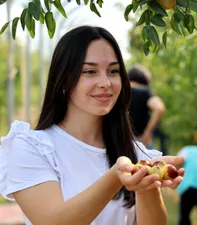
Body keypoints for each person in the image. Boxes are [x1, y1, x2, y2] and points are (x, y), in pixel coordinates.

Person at [0, 26, 184, 225]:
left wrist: (146, 185)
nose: (105, 82)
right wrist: (116, 176)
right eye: (90, 71)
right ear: (63, 79)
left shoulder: (138, 156)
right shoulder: (32, 147)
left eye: (113, 71)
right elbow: (52, 221)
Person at [128, 65, 165, 148]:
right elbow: (159, 108)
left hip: (120, 139)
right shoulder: (144, 91)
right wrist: (148, 133)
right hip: (140, 140)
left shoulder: (119, 91)